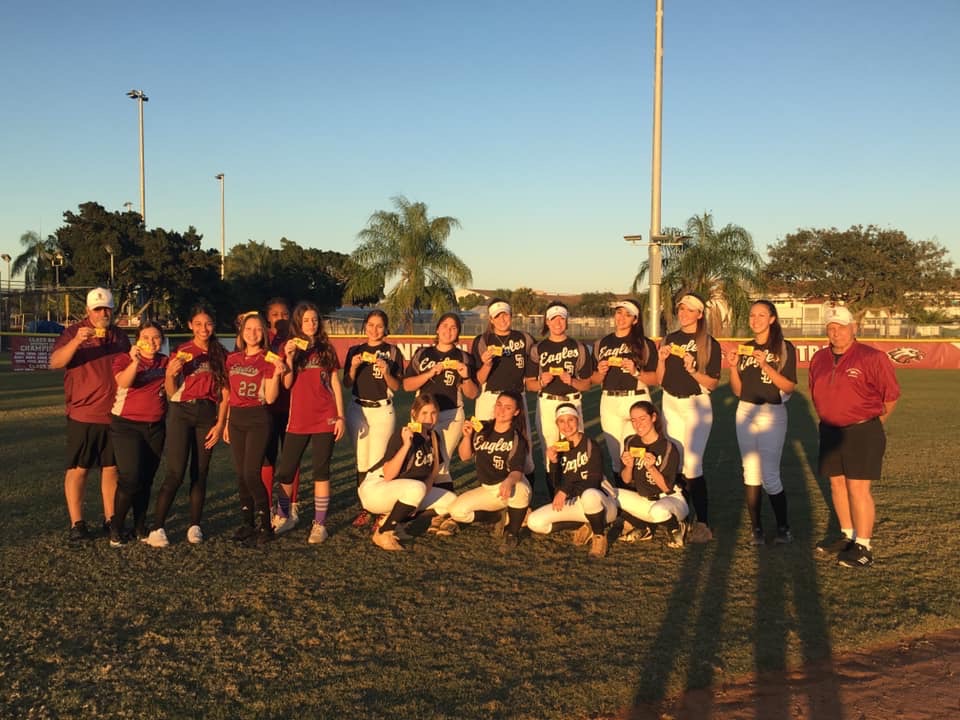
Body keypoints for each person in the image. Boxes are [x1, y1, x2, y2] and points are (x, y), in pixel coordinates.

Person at [809, 306, 900, 568]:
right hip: (829, 429)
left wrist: (870, 424)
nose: (835, 332)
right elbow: (815, 389)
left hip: (862, 430)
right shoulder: (819, 358)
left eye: (841, 327)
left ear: (854, 328)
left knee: (858, 489)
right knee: (836, 485)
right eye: (831, 327)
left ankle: (864, 546)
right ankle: (847, 536)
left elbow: (891, 396)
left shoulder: (872, 357)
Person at [49, 287, 131, 542]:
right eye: (97, 309)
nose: (102, 313)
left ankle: (110, 519)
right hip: (83, 414)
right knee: (79, 469)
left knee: (111, 468)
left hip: (114, 414)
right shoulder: (74, 332)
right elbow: (55, 362)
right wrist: (76, 342)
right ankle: (77, 523)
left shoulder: (119, 336)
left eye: (106, 308)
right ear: (88, 311)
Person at [149, 305, 229, 547]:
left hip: (207, 414)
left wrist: (220, 423)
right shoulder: (182, 351)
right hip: (181, 412)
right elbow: (172, 393)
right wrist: (171, 375)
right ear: (190, 325)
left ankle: (195, 525)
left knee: (200, 472)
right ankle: (157, 527)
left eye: (208, 324)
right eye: (199, 324)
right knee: (175, 472)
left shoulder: (221, 353)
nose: (204, 328)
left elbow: (226, 393)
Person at [727, 300, 798, 546]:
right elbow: (737, 391)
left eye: (761, 315)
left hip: (772, 413)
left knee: (770, 475)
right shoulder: (745, 347)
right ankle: (756, 528)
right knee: (750, 472)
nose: (755, 319)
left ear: (772, 319)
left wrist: (765, 364)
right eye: (752, 315)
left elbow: (789, 386)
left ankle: (783, 528)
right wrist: (733, 367)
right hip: (745, 410)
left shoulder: (784, 347)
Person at [274, 302, 346, 544]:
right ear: (298, 322)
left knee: (320, 471)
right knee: (285, 470)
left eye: (314, 319)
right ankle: (284, 515)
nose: (311, 324)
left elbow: (335, 382)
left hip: (325, 416)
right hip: (299, 417)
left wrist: (340, 416)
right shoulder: (291, 346)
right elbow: (286, 384)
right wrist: (290, 358)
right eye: (306, 320)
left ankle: (320, 524)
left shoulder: (326, 348)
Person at [656, 292, 721, 543]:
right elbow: (661, 380)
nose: (683, 313)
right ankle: (682, 517)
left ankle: (702, 522)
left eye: (688, 309)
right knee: (677, 461)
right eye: (681, 309)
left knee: (693, 465)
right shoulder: (670, 339)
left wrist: (693, 371)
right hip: (671, 402)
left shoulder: (708, 342)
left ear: (700, 314)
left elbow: (713, 383)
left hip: (696, 404)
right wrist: (661, 361)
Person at [358, 394, 457, 551]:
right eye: (424, 413)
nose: (429, 418)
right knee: (417, 489)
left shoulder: (434, 437)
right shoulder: (403, 434)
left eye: (433, 413)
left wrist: (418, 502)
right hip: (376, 488)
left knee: (451, 502)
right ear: (414, 414)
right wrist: (406, 445)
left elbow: (432, 473)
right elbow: (389, 475)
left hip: (406, 489)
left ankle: (393, 521)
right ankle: (384, 532)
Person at [224, 311, 286, 546]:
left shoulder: (269, 358)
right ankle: (247, 524)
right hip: (237, 419)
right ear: (241, 332)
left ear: (264, 333)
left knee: (251, 473)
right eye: (248, 329)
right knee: (241, 475)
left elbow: (270, 398)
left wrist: (278, 374)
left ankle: (266, 526)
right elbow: (229, 394)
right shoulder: (232, 359)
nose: (253, 333)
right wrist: (228, 422)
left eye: (258, 329)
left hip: (258, 418)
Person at [527, 404, 618, 560]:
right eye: (561, 421)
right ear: (557, 424)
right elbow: (556, 484)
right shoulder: (560, 448)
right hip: (576, 502)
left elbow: (593, 480)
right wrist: (554, 462)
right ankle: (586, 524)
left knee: (589, 495)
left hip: (602, 505)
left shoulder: (590, 444)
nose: (567, 425)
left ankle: (599, 535)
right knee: (534, 522)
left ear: (578, 420)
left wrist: (565, 491)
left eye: (571, 420)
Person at [446, 390, 532, 553]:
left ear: (516, 412)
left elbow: (516, 472)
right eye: (499, 405)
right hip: (488, 488)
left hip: (510, 486)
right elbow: (465, 456)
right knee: (456, 511)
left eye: (508, 408)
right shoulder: (483, 427)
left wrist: (508, 481)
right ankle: (497, 516)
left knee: (521, 490)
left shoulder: (515, 437)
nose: (501, 410)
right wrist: (466, 436)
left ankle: (512, 533)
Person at [108, 322, 168, 546]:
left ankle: (140, 525)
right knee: (130, 477)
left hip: (155, 426)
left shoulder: (165, 361)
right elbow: (124, 381)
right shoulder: (124, 359)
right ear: (137, 340)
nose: (151, 342)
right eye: (146, 337)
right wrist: (135, 362)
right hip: (126, 426)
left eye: (156, 337)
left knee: (146, 479)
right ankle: (116, 526)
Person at [343, 309, 405, 527]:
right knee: (362, 461)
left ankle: (380, 507)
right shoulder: (355, 350)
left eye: (379, 325)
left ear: (386, 329)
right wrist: (353, 367)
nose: (374, 329)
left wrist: (387, 372)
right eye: (371, 324)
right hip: (357, 409)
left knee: (378, 462)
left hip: (382, 410)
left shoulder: (393, 351)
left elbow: (398, 386)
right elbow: (347, 384)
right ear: (365, 326)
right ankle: (365, 507)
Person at [403, 312, 479, 485]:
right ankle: (419, 500)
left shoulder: (464, 358)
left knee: (442, 463)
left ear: (458, 333)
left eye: (453, 327)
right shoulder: (422, 353)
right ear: (437, 329)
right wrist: (429, 373)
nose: (448, 330)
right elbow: (407, 385)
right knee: (420, 458)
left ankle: (441, 501)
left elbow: (472, 394)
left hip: (450, 415)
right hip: (423, 415)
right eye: (445, 325)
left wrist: (466, 376)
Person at [525, 301, 594, 490]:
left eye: (561, 318)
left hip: (573, 401)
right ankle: (555, 500)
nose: (558, 323)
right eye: (553, 319)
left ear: (567, 321)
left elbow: (587, 384)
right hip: (547, 402)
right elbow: (529, 384)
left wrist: (571, 381)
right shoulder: (538, 349)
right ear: (547, 322)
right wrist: (541, 382)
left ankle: (576, 498)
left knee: (575, 450)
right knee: (551, 451)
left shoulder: (578, 347)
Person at [471, 298, 537, 483]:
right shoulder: (482, 340)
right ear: (491, 319)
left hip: (516, 397)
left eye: (505, 315)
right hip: (489, 397)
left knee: (524, 445)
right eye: (497, 316)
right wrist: (485, 364)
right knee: (485, 445)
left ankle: (525, 499)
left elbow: (536, 365)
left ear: (511, 316)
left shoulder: (524, 338)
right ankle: (490, 490)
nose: (502, 319)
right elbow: (477, 380)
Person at [591, 298, 659, 475]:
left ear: (635, 320)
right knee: (616, 458)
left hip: (636, 398)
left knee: (635, 453)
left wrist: (636, 372)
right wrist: (600, 372)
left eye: (628, 315)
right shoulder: (602, 343)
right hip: (609, 401)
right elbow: (594, 379)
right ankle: (622, 499)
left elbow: (656, 379)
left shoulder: (644, 344)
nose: (621, 318)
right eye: (619, 312)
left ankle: (643, 494)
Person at [616, 400, 688, 548]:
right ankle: (643, 527)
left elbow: (667, 487)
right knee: (609, 495)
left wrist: (651, 468)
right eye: (634, 420)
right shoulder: (631, 441)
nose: (638, 424)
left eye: (642, 419)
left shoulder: (668, 447)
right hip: (644, 500)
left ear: (653, 417)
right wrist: (628, 467)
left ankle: (676, 527)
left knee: (658, 511)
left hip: (670, 499)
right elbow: (625, 480)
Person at [261, 298, 301, 531]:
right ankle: (265, 508)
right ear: (268, 318)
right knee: (267, 459)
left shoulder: (297, 341)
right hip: (267, 409)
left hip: (293, 408)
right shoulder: (262, 339)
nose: (280, 318)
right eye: (275, 314)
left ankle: (291, 506)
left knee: (290, 460)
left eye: (285, 314)